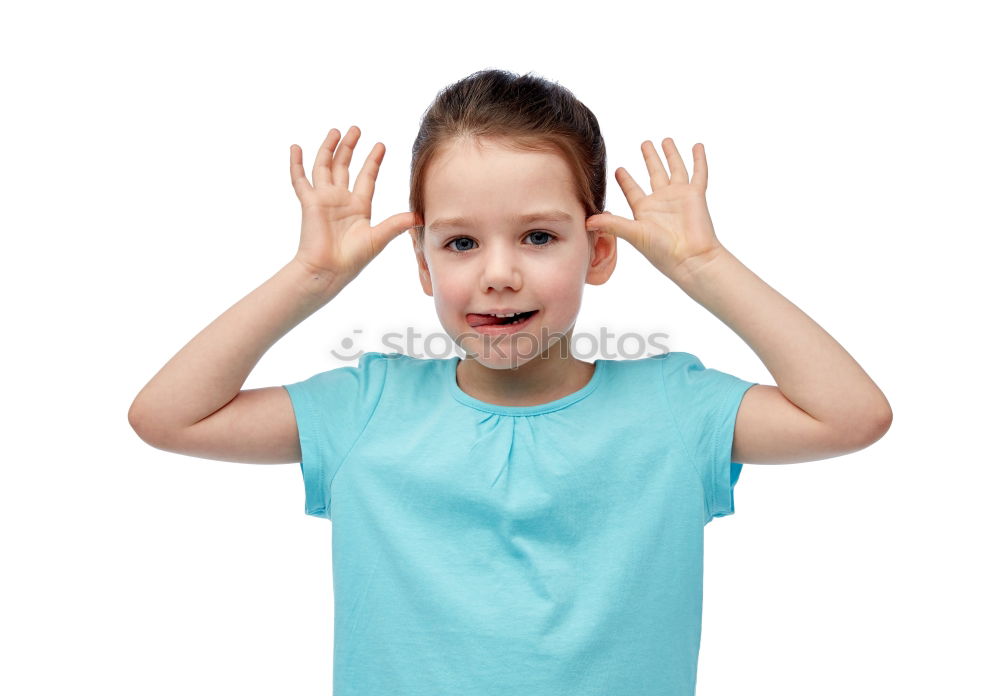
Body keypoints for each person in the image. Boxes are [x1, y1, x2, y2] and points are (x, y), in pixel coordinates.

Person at [128, 68, 892, 696]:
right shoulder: (368, 408)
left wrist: (704, 267)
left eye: (538, 236)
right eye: (460, 242)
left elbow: (851, 417)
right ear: (422, 262)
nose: (499, 273)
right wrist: (309, 277)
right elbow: (168, 417)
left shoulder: (673, 410)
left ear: (598, 250)